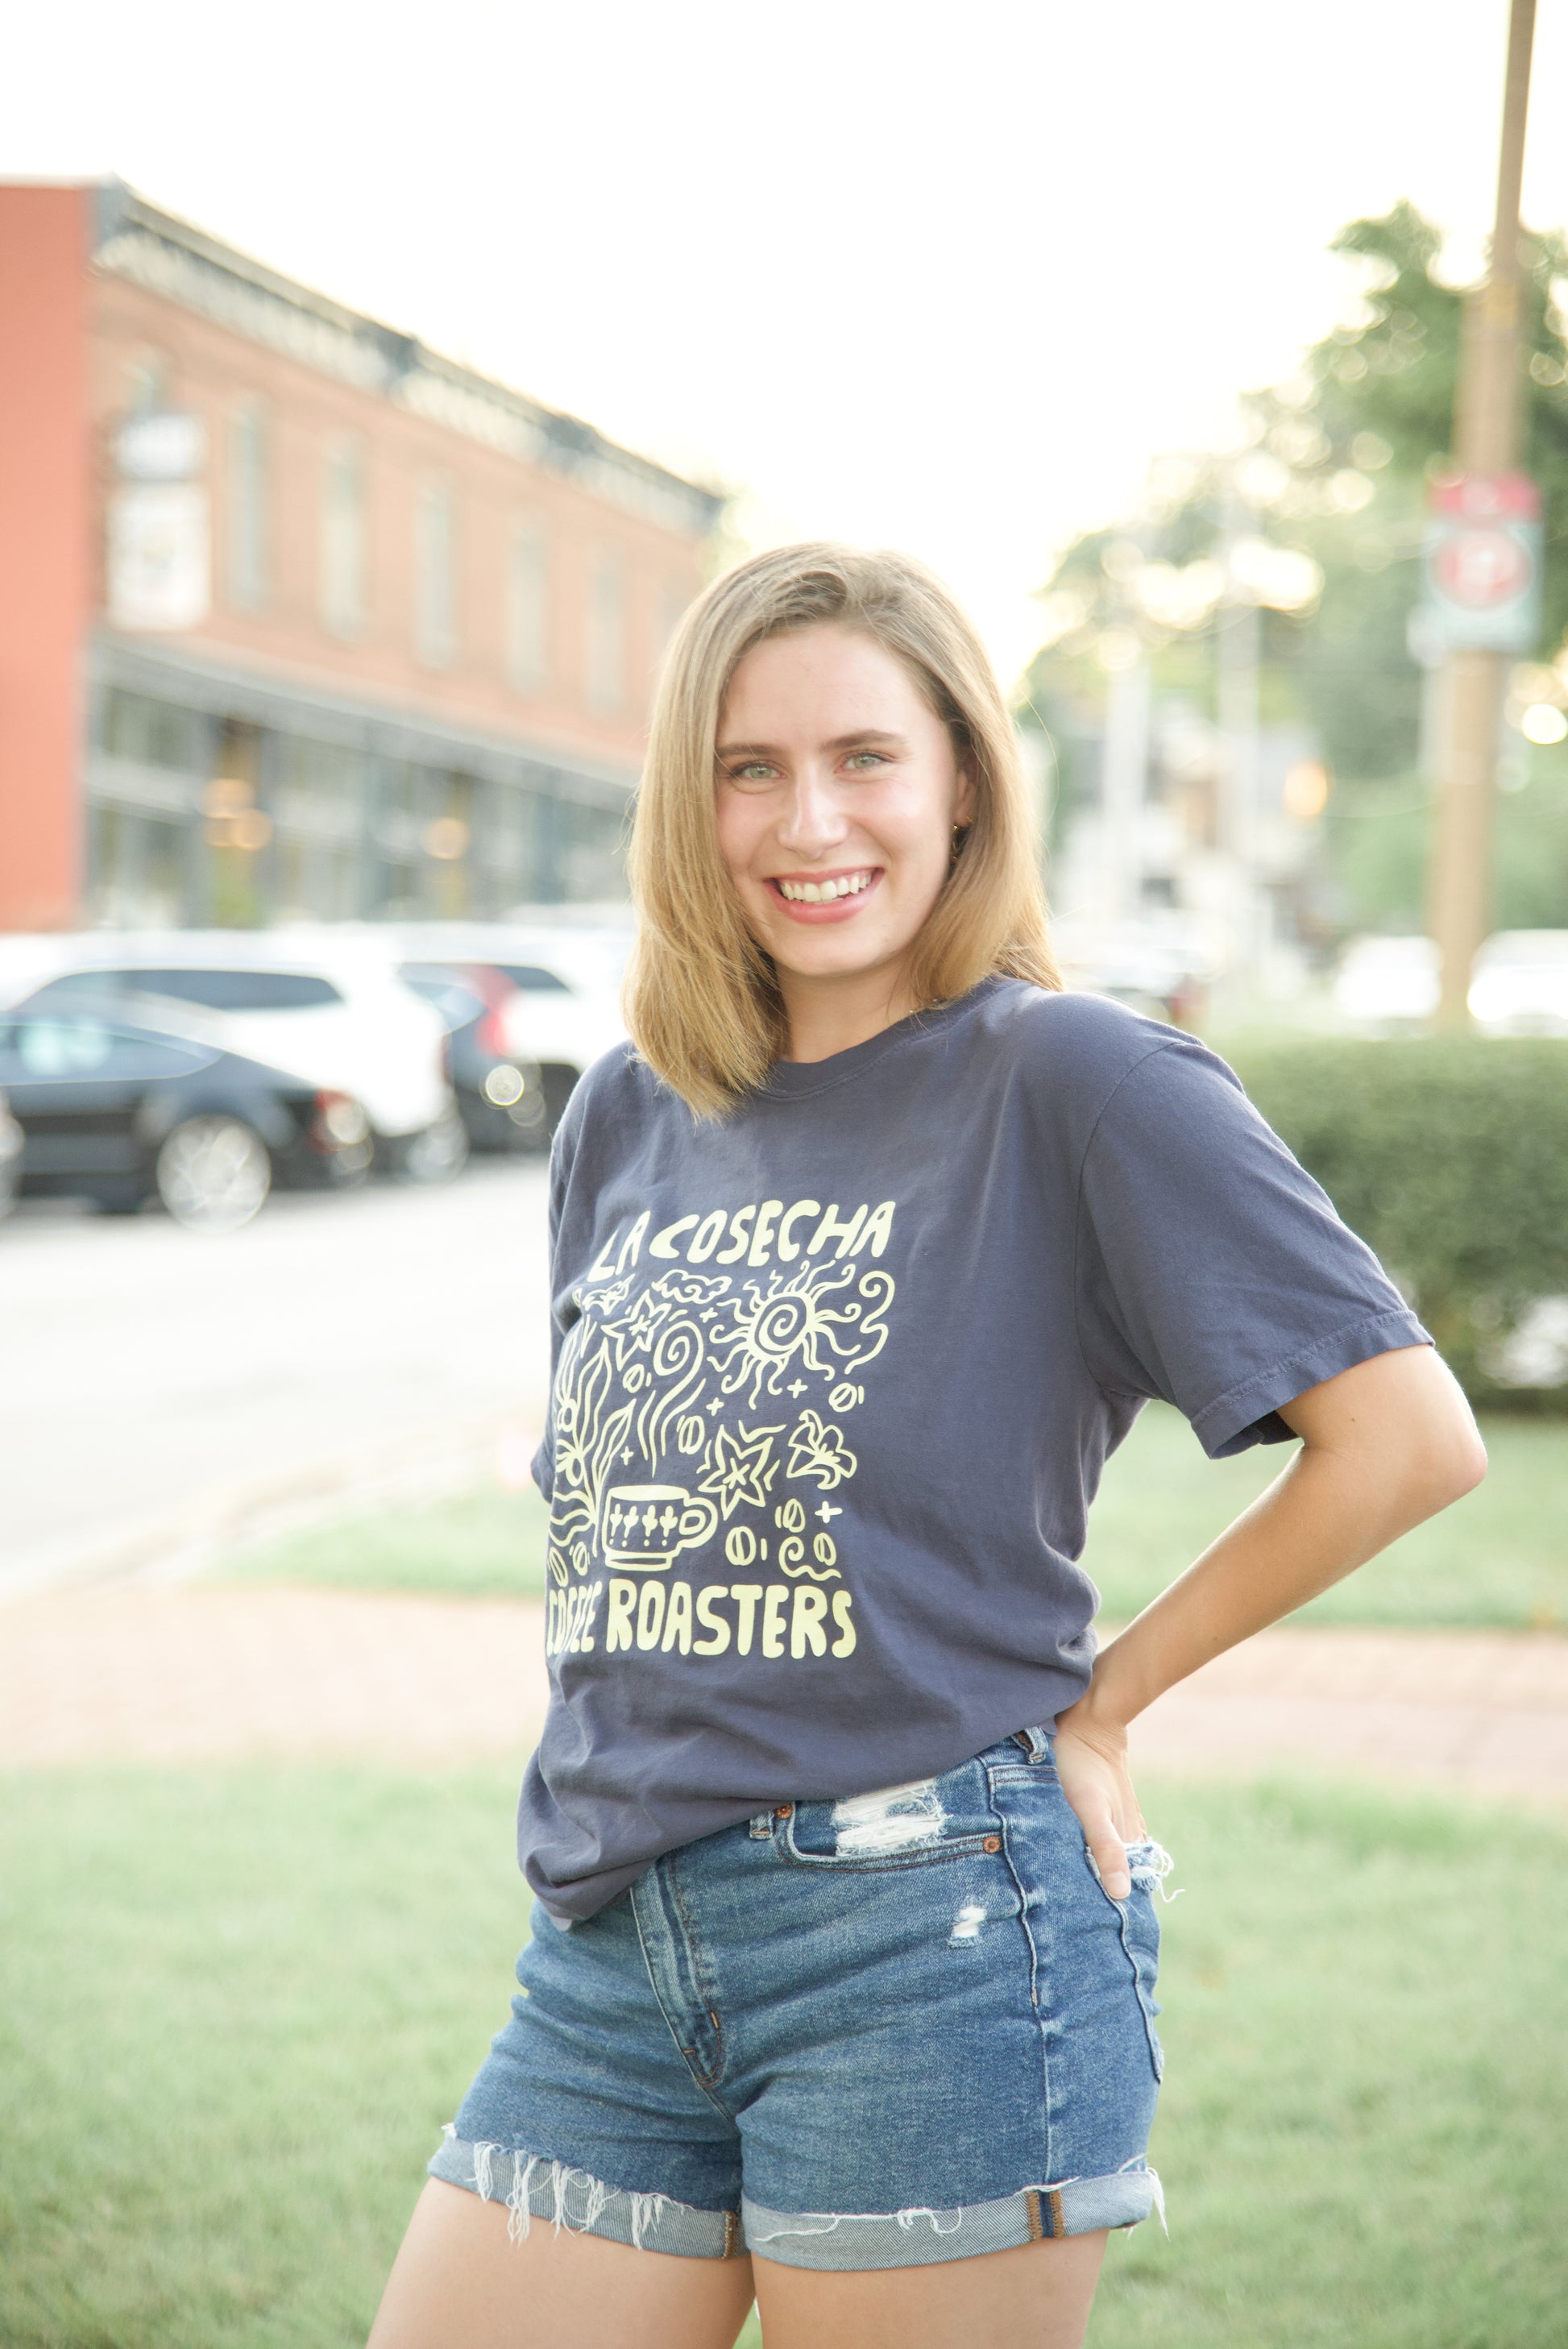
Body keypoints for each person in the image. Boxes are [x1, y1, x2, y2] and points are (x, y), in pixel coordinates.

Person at [367, 545, 1485, 2349]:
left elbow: (1405, 1439)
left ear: (962, 779)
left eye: (865, 758)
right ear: (690, 802)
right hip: (608, 1947)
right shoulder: (630, 1112)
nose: (810, 819)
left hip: (932, 1944)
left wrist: (1103, 1702)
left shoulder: (1079, 1081)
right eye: (750, 768)